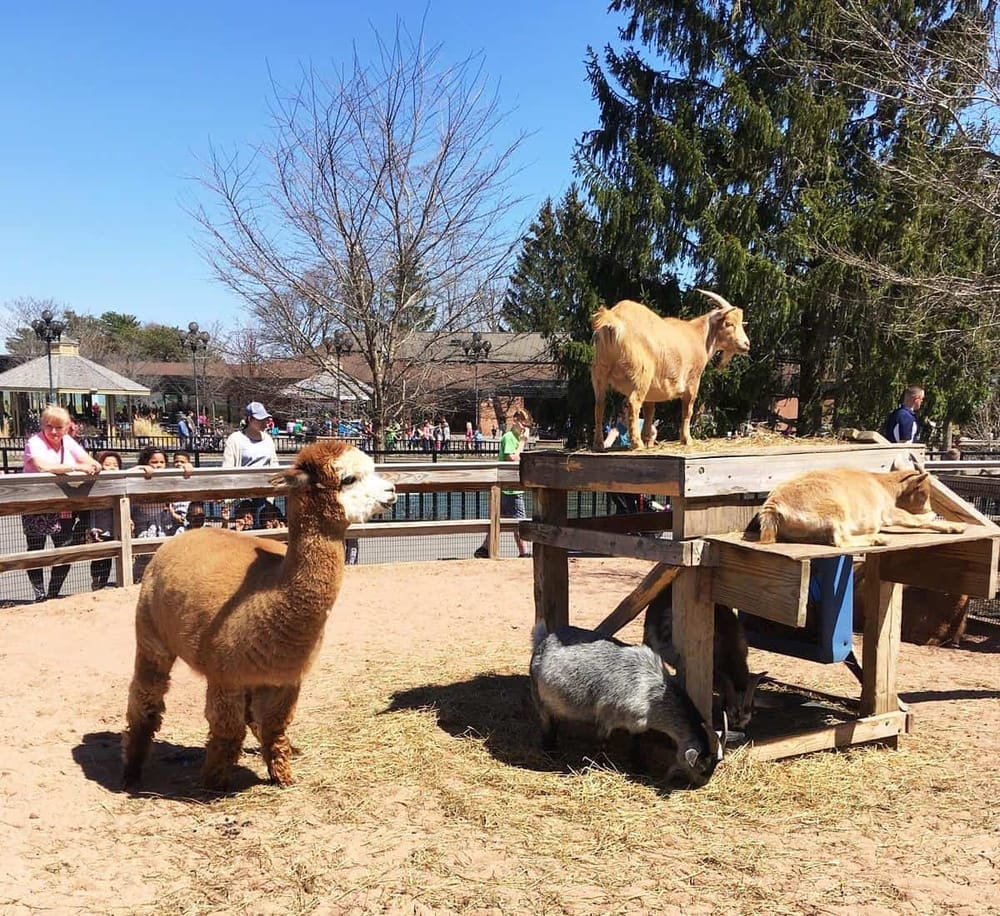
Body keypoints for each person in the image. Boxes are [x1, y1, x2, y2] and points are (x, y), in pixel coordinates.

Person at [21, 406, 102, 601]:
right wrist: (76, 467)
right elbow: (44, 467)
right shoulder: (35, 442)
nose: (54, 432)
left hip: (62, 504)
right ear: (42, 426)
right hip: (35, 504)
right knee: (36, 550)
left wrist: (94, 465)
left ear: (67, 427)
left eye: (59, 427)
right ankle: (39, 594)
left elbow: (90, 462)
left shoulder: (68, 442)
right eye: (49, 426)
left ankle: (53, 592)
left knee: (66, 549)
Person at [475, 410, 531, 559]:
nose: (524, 426)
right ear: (515, 420)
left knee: (498, 518)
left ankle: (485, 549)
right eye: (522, 422)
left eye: (526, 423)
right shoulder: (509, 438)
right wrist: (523, 443)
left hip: (508, 487)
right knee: (520, 521)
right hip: (509, 488)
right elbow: (512, 458)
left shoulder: (516, 437)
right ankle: (524, 552)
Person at [87, 450, 124, 590]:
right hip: (100, 528)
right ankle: (95, 581)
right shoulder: (96, 485)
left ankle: (102, 583)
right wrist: (92, 527)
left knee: (109, 558)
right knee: (97, 558)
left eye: (115, 464)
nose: (112, 467)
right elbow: (91, 510)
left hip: (115, 528)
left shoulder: (121, 483)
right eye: (107, 464)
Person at [222, 402, 279, 468]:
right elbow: (227, 467)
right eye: (260, 420)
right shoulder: (234, 439)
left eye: (265, 419)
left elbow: (274, 464)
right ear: (249, 419)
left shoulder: (268, 439)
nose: (265, 423)